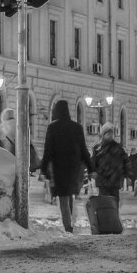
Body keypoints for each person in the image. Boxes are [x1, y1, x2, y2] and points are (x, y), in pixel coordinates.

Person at [40, 99, 92, 233]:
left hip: (59, 166)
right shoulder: (77, 127)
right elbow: (83, 149)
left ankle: (68, 225)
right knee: (69, 194)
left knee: (63, 195)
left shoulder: (53, 127)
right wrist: (91, 167)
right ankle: (69, 221)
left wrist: (44, 167)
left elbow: (48, 149)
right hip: (74, 167)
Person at [91, 123, 129, 204]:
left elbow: (125, 161)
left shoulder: (118, 147)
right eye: (108, 133)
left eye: (111, 133)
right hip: (102, 180)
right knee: (104, 202)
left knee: (115, 201)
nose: (110, 135)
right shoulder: (97, 148)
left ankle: (114, 216)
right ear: (103, 134)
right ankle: (104, 216)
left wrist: (127, 174)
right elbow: (93, 162)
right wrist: (92, 172)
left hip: (115, 180)